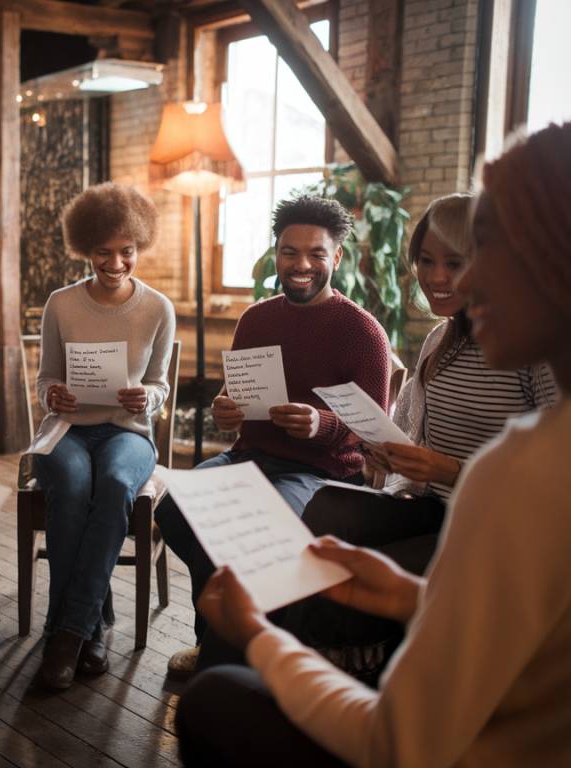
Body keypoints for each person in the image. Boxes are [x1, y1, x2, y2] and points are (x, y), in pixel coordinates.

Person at [176, 122, 571, 767]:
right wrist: (414, 597)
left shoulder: (523, 467)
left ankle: (252, 636)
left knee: (217, 697)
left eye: (484, 252)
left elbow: (398, 743)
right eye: (431, 262)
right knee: (236, 511)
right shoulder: (454, 362)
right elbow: (523, 630)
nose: (455, 285)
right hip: (385, 493)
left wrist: (253, 639)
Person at [199, 193, 559, 683]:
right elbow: (404, 432)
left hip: (498, 521)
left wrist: (449, 469)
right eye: (426, 261)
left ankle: (305, 668)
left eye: (455, 262)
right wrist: (384, 451)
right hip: (433, 503)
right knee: (325, 512)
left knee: (345, 570)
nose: (435, 277)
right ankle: (270, 657)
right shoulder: (441, 341)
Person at [157, 195, 391, 675]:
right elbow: (237, 397)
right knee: (176, 509)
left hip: (323, 473)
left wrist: (321, 424)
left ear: (337, 257)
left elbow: (373, 432)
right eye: (290, 252)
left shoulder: (363, 332)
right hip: (251, 458)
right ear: (276, 252)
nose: (301, 264)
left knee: (256, 532)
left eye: (316, 254)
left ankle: (244, 654)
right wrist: (226, 410)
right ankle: (225, 640)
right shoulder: (256, 319)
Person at [30, 182, 175, 690]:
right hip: (67, 429)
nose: (115, 263)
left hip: (127, 433)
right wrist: (54, 397)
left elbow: (160, 383)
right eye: (103, 253)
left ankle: (65, 633)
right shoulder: (61, 304)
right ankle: (88, 627)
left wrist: (148, 398)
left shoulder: (158, 308)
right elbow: (45, 377)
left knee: (114, 485)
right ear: (85, 249)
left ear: (140, 246)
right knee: (71, 487)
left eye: (126, 252)